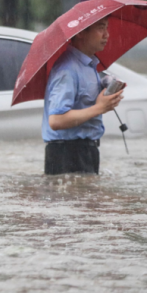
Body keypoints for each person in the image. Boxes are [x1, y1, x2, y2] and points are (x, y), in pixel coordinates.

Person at [42, 17, 124, 175]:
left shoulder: (89, 65)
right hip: (67, 153)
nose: (107, 34)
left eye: (107, 28)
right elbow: (56, 120)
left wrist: (105, 88)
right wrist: (99, 108)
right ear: (80, 33)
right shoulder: (67, 69)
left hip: (86, 150)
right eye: (101, 28)